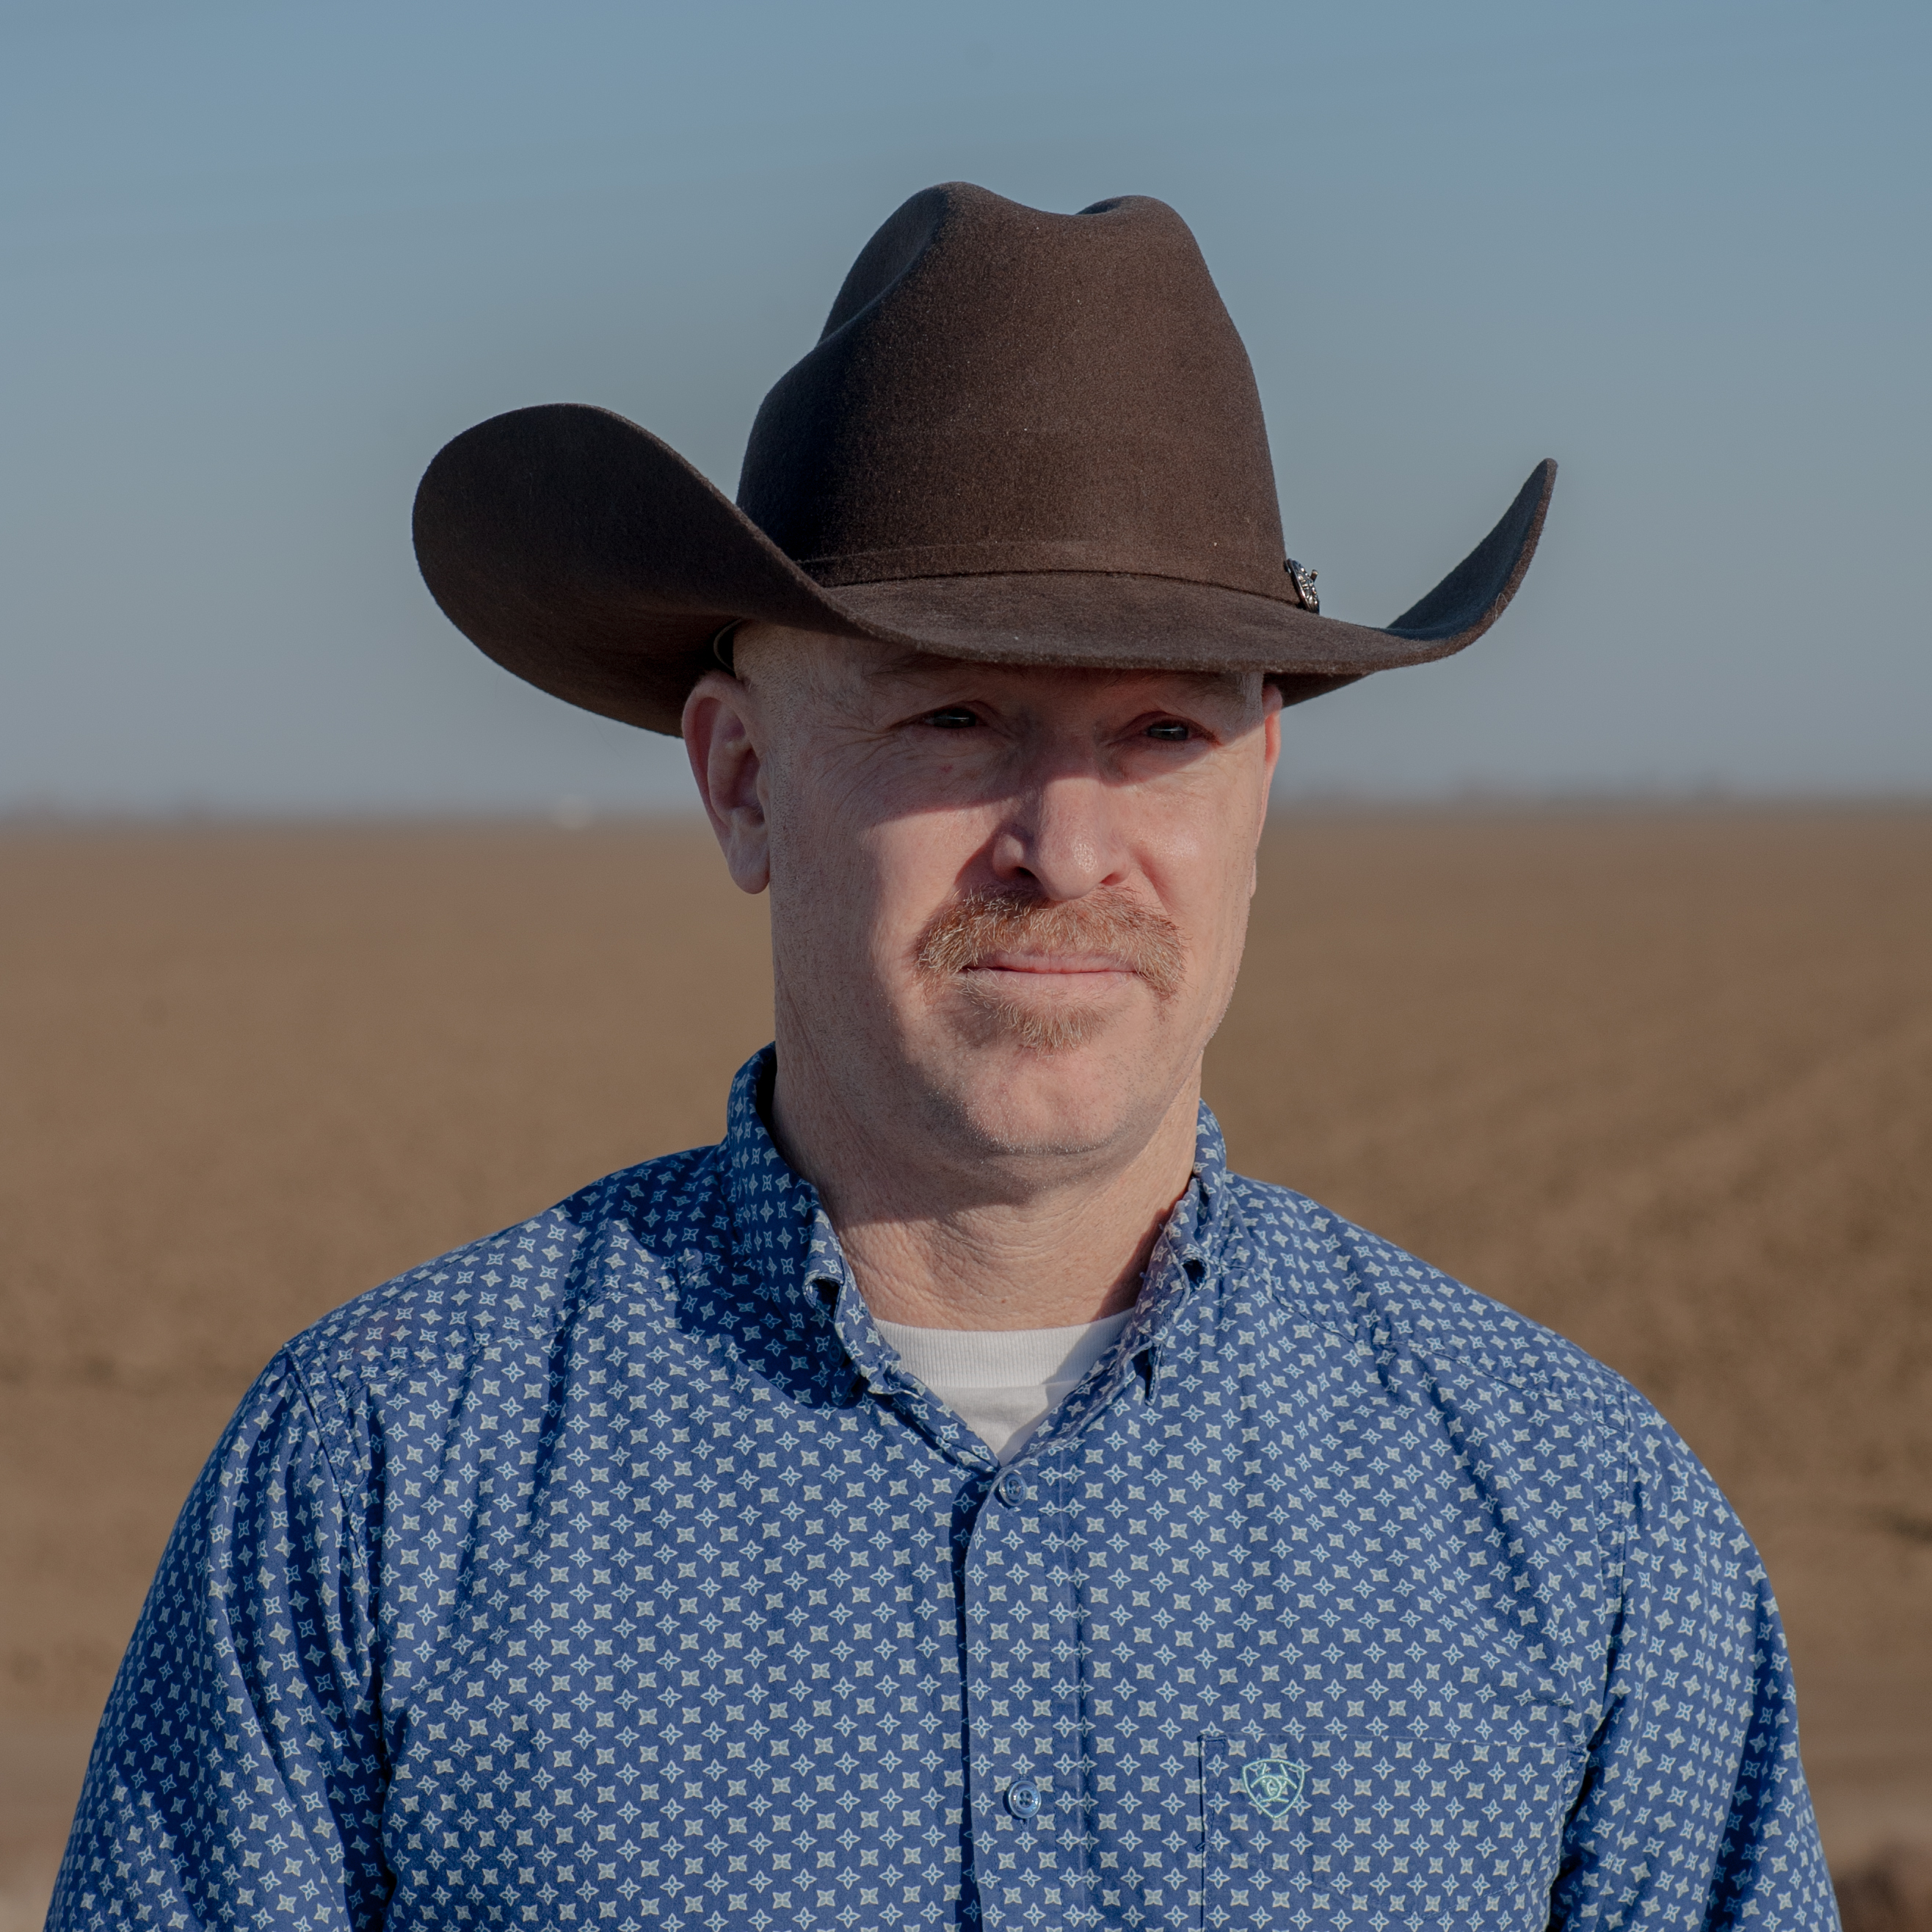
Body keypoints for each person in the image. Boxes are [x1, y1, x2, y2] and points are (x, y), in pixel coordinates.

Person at [51, 183, 1834, 1932]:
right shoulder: (374, 1478)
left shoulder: (1576, 1516)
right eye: (953, 713)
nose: (1065, 845)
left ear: (1259, 791)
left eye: (1160, 729)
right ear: (741, 778)